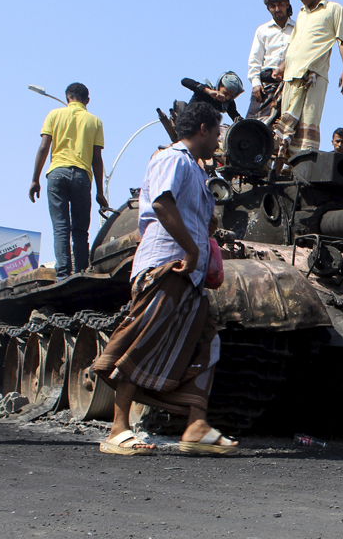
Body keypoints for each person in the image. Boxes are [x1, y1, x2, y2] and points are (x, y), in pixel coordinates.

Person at [91, 103, 237, 456]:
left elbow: (186, 211)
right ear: (203, 128)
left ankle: (196, 425)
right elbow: (161, 204)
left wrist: (206, 232)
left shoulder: (196, 171)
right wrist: (190, 250)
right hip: (167, 264)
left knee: (206, 342)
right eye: (217, 131)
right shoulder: (170, 158)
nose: (219, 139)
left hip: (190, 273)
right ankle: (118, 428)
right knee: (144, 336)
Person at [29, 83, 107, 280]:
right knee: (80, 230)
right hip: (82, 177)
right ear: (87, 101)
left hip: (56, 174)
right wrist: (100, 192)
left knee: (61, 227)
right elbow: (96, 159)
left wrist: (35, 179)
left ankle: (63, 273)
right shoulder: (95, 121)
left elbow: (43, 147)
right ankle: (80, 272)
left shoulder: (54, 115)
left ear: (67, 97)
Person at [272, 0, 343, 168]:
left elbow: (342, 41)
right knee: (286, 130)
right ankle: (280, 173)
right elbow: (294, 42)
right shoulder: (301, 13)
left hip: (313, 76)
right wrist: (281, 67)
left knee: (307, 129)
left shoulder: (334, 9)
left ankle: (302, 172)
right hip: (291, 76)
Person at [247, 0, 295, 120]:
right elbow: (254, 60)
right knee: (254, 128)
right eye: (273, 6)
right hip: (265, 84)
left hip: (290, 83)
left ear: (287, 4)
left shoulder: (298, 29)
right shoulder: (262, 30)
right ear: (268, 8)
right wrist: (256, 84)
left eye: (280, 4)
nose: (277, 9)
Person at [180, 73, 245, 122]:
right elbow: (184, 81)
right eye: (225, 93)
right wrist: (208, 91)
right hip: (189, 120)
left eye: (230, 96)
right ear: (220, 85)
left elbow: (235, 117)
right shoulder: (205, 91)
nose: (226, 97)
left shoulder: (228, 104)